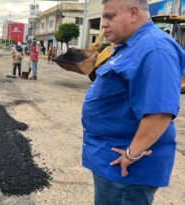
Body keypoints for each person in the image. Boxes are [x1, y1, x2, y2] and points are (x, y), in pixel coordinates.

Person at [81, 0, 185, 205]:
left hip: (127, 171)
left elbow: (159, 113)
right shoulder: (130, 46)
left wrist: (131, 155)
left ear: (133, 14)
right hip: (111, 162)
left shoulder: (155, 49)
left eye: (109, 17)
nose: (103, 24)